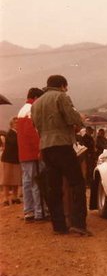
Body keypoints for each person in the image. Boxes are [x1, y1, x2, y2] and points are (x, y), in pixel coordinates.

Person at [31, 75, 92, 236]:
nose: (67, 89)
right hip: (62, 145)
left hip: (45, 147)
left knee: (54, 187)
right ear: (62, 85)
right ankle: (78, 223)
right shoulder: (61, 97)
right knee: (77, 183)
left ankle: (58, 226)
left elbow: (35, 125)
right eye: (66, 86)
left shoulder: (37, 104)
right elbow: (72, 118)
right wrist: (81, 119)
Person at [17, 87, 47, 222]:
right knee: (37, 183)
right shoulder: (31, 110)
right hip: (33, 153)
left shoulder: (22, 110)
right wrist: (39, 148)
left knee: (27, 183)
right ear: (35, 98)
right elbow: (32, 133)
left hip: (24, 154)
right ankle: (40, 213)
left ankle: (29, 211)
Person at [1, 117, 22, 206]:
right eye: (15, 123)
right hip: (8, 159)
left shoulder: (17, 133)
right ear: (12, 124)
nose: (17, 124)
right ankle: (6, 198)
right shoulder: (10, 133)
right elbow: (14, 143)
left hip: (16, 159)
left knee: (15, 179)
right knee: (6, 179)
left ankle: (15, 196)